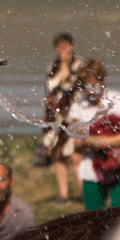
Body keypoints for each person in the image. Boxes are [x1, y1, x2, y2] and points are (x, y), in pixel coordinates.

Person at [68, 60, 120, 210]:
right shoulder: (80, 105)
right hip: (92, 169)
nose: (89, 91)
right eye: (85, 86)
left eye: (92, 85)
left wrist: (105, 142)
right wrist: (86, 140)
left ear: (102, 80)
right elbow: (76, 146)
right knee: (93, 217)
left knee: (119, 215)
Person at [41, 33, 84, 202]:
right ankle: (63, 194)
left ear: (72, 47)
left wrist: (66, 67)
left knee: (76, 155)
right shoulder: (53, 65)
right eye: (60, 47)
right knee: (58, 154)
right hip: (55, 115)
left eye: (66, 46)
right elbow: (50, 86)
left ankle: (84, 191)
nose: (63, 50)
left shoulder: (79, 64)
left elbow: (71, 86)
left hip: (74, 115)